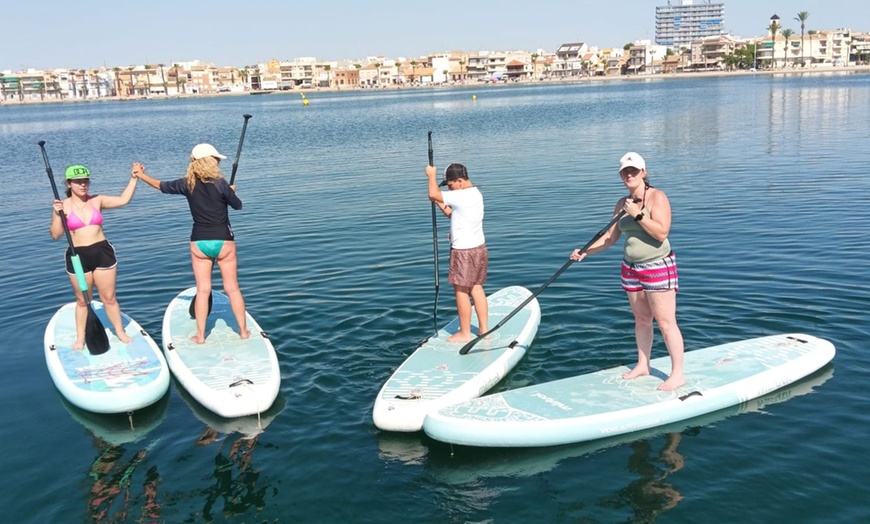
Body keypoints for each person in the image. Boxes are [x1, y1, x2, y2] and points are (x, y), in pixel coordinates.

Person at [570, 152, 685, 391]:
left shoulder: (657, 197)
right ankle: (643, 364)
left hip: (657, 266)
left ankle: (677, 374)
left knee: (665, 322)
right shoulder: (622, 203)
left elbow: (661, 233)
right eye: (625, 171)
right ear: (621, 176)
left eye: (634, 170)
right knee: (642, 320)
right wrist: (585, 251)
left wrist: (638, 215)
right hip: (630, 268)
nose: (629, 174)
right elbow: (610, 238)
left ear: (643, 172)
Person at [134, 144, 250, 343]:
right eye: (216, 159)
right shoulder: (221, 184)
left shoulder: (187, 184)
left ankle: (200, 336)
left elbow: (161, 186)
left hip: (199, 242)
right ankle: (243, 332)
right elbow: (237, 206)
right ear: (210, 161)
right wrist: (231, 191)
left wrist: (141, 175)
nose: (219, 161)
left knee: (203, 290)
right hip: (223, 241)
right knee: (232, 288)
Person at [50, 164, 138, 350]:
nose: (83, 185)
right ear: (68, 184)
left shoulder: (97, 200)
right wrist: (58, 215)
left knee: (109, 298)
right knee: (83, 301)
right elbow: (56, 235)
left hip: (102, 253)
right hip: (77, 256)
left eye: (85, 181)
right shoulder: (62, 206)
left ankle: (120, 332)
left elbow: (123, 200)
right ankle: (80, 338)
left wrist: (134, 178)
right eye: (78, 182)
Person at [426, 163, 488, 343]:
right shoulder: (475, 193)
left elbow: (432, 193)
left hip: (463, 252)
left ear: (459, 181)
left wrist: (431, 175)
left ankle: (465, 333)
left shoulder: (461, 195)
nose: (450, 189)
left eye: (451, 185)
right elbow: (452, 214)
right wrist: (439, 200)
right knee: (476, 287)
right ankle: (484, 329)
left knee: (461, 291)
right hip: (479, 248)